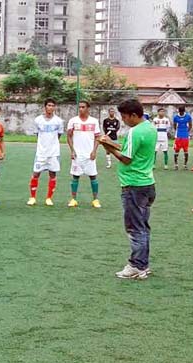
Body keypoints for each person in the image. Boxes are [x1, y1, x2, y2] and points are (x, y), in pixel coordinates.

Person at [97, 99, 156, 280]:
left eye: (124, 116)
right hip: (147, 184)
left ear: (133, 115)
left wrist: (108, 147)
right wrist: (111, 143)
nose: (123, 120)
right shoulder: (150, 128)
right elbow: (132, 151)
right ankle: (142, 265)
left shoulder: (134, 132)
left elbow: (127, 158)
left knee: (135, 228)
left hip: (133, 185)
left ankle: (136, 266)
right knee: (143, 227)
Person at [28, 98, 64, 207]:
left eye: (53, 105)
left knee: (52, 174)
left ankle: (49, 198)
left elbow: (58, 135)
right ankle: (32, 197)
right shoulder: (38, 120)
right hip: (41, 152)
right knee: (36, 174)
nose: (51, 107)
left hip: (53, 153)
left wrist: (52, 145)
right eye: (49, 105)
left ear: (55, 107)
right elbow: (38, 134)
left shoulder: (59, 121)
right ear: (45, 107)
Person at [66, 100, 101, 208]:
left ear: (88, 108)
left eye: (83, 107)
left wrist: (94, 151)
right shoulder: (73, 121)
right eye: (79, 107)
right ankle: (73, 199)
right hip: (77, 154)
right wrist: (72, 150)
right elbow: (69, 136)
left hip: (89, 154)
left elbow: (97, 137)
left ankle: (95, 199)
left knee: (93, 176)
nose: (81, 109)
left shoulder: (94, 121)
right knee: (75, 176)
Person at [172, 105, 193, 170]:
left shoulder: (188, 116)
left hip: (185, 136)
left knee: (186, 151)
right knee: (176, 150)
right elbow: (174, 125)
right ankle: (176, 165)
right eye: (180, 112)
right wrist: (178, 132)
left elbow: (190, 125)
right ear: (178, 111)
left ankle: (185, 165)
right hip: (178, 136)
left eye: (182, 112)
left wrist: (187, 132)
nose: (181, 113)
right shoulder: (176, 117)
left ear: (184, 111)